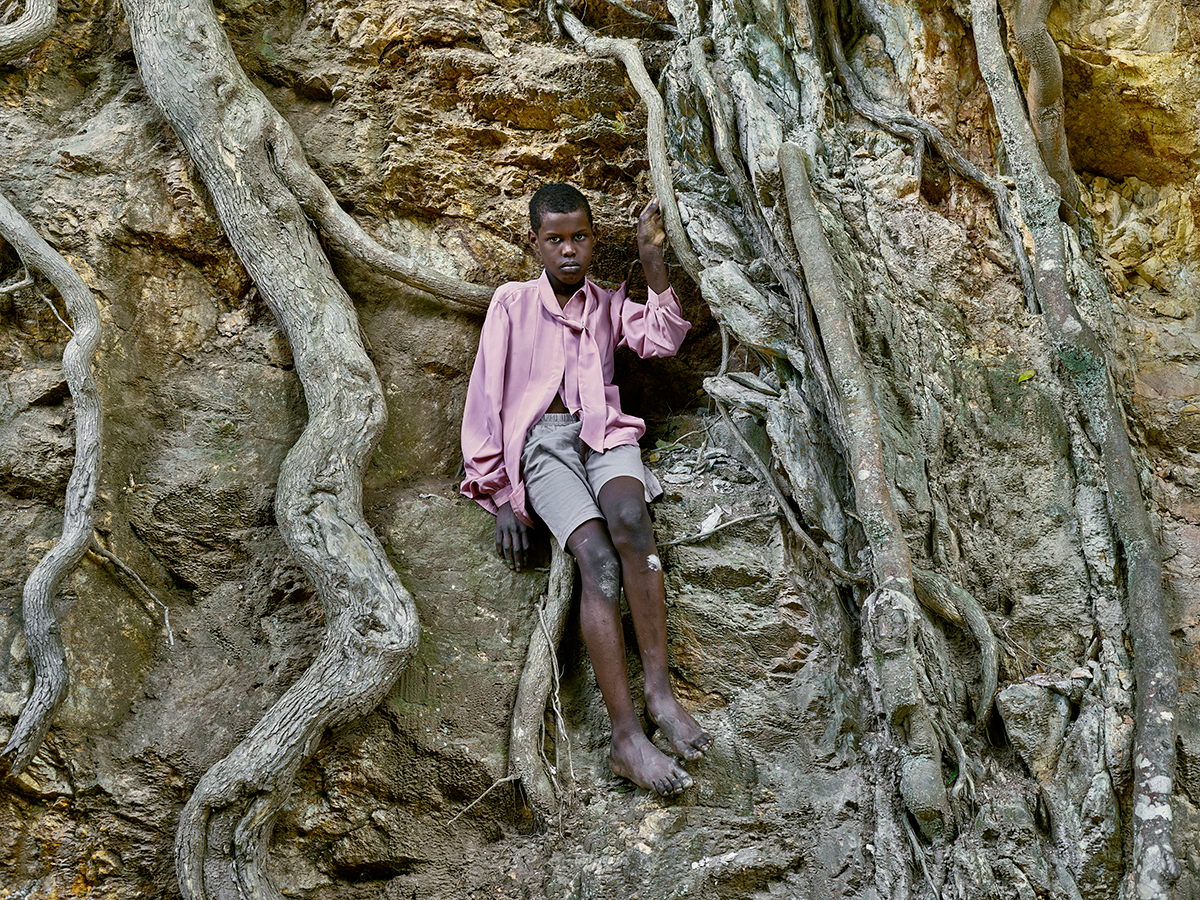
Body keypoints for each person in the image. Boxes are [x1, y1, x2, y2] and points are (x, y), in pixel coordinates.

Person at [461, 183, 713, 795]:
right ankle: (626, 739)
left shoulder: (608, 303)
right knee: (597, 560)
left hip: (604, 434)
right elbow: (485, 397)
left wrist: (652, 263)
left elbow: (662, 340)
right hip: (543, 447)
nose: (568, 250)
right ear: (535, 244)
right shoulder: (511, 303)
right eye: (555, 240)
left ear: (595, 240)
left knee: (631, 523)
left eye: (579, 237)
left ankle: (661, 694)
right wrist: (498, 496)